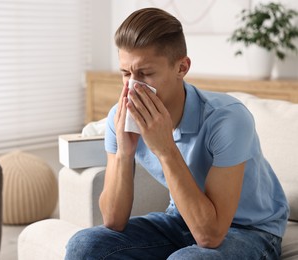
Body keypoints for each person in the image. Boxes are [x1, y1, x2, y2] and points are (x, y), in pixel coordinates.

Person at [65, 7, 289, 259]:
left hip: (250, 230)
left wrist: (165, 149)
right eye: (125, 73)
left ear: (181, 67)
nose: (131, 87)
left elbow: (210, 235)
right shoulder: (119, 118)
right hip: (180, 220)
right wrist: (124, 152)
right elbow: (113, 220)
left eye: (145, 74)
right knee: (84, 245)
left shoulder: (227, 119)